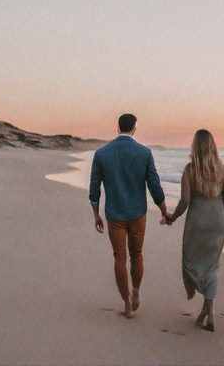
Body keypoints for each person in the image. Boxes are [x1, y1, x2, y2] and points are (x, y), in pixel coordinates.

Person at [89, 113, 172, 319]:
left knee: (119, 257)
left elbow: (94, 187)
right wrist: (164, 211)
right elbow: (154, 185)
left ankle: (126, 302)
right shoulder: (144, 153)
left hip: (114, 214)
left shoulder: (101, 153)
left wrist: (96, 215)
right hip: (137, 213)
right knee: (137, 254)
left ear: (118, 128)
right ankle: (136, 291)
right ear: (134, 129)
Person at [170, 129, 224, 332]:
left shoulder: (189, 170)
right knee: (212, 266)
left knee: (191, 262)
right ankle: (207, 311)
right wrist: (219, 221)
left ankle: (209, 311)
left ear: (195, 147)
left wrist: (173, 217)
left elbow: (185, 201)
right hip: (218, 222)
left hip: (197, 223)